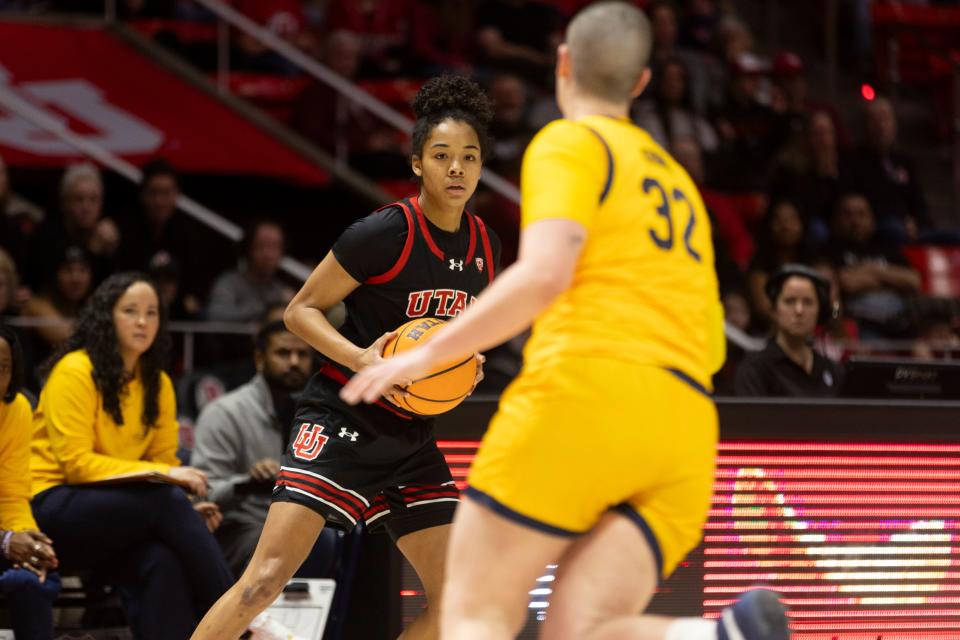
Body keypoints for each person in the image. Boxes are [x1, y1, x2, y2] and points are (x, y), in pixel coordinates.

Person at [342, 4, 788, 640]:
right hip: (686, 427)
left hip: (589, 393)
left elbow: (545, 273)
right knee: (582, 626)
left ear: (562, 63)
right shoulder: (680, 185)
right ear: (639, 83)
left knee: (473, 612)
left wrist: (423, 353)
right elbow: (711, 339)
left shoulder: (571, 142)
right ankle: (715, 636)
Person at [191, 75, 501, 640]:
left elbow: (452, 334)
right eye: (441, 156)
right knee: (264, 580)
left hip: (409, 433)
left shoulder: (484, 244)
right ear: (416, 164)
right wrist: (362, 359)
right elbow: (300, 310)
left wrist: (467, 358)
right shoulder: (385, 232)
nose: (456, 168)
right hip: (342, 420)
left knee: (460, 598)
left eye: (469, 157)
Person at [30, 272, 234, 640]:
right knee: (167, 500)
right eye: (130, 311)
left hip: (112, 522)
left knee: (163, 559)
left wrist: (183, 512)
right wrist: (171, 490)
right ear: (107, 316)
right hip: (50, 509)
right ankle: (237, 619)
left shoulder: (157, 382)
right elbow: (76, 465)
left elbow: (162, 462)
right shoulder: (75, 370)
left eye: (152, 312)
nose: (143, 321)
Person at [191, 320, 313, 577]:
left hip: (297, 524)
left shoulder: (317, 414)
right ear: (259, 358)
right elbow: (203, 492)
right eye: (283, 353)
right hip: (235, 528)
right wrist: (248, 480)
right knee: (283, 541)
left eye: (302, 354)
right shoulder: (223, 413)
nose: (294, 362)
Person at [0, 324, 60, 640]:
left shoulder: (16, 409)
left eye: (2, 368)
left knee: (30, 578)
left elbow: (11, 493)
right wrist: (6, 541)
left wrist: (27, 541)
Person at [735, 264, 844, 397]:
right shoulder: (754, 370)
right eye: (790, 301)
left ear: (819, 313)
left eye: (808, 302)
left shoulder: (833, 371)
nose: (799, 310)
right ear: (774, 311)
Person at [828, 192, 920, 339]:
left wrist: (871, 270)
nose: (855, 220)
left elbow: (913, 281)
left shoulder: (886, 247)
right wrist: (890, 280)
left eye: (861, 214)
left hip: (901, 323)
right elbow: (847, 282)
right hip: (862, 326)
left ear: (872, 220)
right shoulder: (831, 250)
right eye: (848, 214)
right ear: (836, 220)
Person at [25, 163, 120, 289]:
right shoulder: (46, 237)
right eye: (78, 199)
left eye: (94, 199)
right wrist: (92, 252)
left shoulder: (107, 235)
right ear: (64, 203)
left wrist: (112, 253)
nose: (86, 208)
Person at [206, 220, 293, 324]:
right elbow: (217, 316)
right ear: (248, 248)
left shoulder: (280, 289)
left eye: (275, 246)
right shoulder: (229, 283)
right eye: (261, 245)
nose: (268, 254)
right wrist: (269, 306)